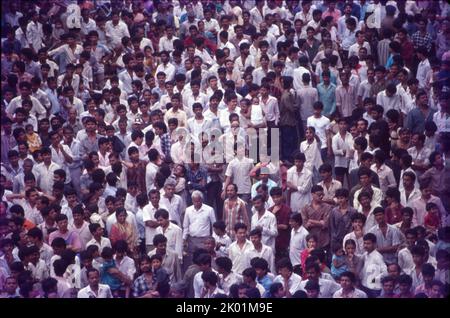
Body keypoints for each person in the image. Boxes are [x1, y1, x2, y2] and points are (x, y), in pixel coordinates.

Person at [360, 233, 387, 298]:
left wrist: (374, 280)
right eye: (365, 243)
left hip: (374, 288)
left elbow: (385, 272)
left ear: (374, 244)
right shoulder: (365, 255)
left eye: (368, 243)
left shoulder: (377, 257)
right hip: (365, 286)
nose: (366, 245)